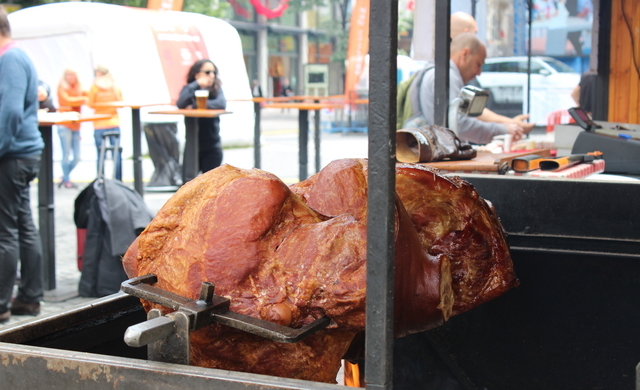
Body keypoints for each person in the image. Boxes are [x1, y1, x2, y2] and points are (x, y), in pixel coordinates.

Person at [0, 5, 45, 323]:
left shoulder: (10, 58)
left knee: (6, 232)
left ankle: (3, 304)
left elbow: (11, 112)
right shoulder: (16, 55)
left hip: (13, 155)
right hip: (21, 153)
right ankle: (28, 299)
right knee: (22, 226)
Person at [418, 33, 531, 144]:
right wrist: (502, 129)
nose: (479, 72)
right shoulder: (447, 76)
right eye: (478, 64)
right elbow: (459, 125)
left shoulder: (440, 73)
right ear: (465, 54)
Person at [177, 59, 227, 174]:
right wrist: (196, 84)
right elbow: (181, 103)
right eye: (208, 72)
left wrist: (194, 105)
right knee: (188, 183)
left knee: (211, 185)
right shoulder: (190, 88)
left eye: (214, 72)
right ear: (197, 73)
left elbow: (221, 104)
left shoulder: (216, 89)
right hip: (192, 145)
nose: (212, 75)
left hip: (212, 144)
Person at [88, 64, 122, 181]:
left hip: (99, 122)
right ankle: (118, 180)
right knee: (116, 153)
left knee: (100, 153)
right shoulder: (114, 87)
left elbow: (90, 104)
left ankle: (100, 179)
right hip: (113, 121)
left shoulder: (94, 88)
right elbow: (120, 102)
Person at [57, 68, 88, 188]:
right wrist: (82, 100)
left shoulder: (79, 87)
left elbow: (88, 96)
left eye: (72, 75)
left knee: (77, 156)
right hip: (64, 123)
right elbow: (67, 101)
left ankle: (65, 176)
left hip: (76, 124)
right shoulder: (62, 87)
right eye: (68, 75)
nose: (70, 77)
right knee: (66, 153)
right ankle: (66, 179)